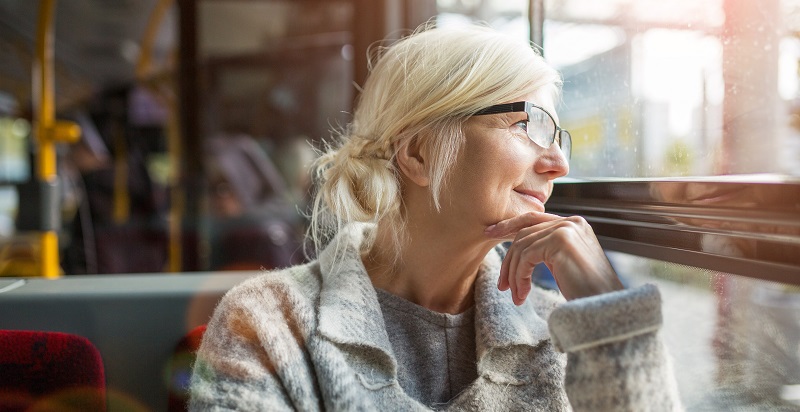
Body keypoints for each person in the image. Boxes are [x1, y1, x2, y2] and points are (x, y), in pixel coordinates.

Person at [189, 23, 681, 411]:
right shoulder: (265, 324)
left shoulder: (566, 332)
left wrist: (610, 316)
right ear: (420, 152)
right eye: (528, 124)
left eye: (558, 137)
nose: (559, 164)